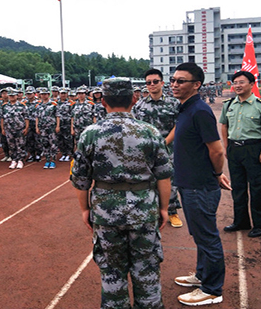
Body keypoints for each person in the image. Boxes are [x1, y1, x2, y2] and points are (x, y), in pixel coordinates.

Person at [71, 77, 173, 309]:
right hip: (144, 209)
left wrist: (85, 210)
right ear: (134, 99)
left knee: (112, 271)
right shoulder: (150, 132)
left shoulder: (90, 134)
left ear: (103, 101)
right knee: (146, 269)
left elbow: (81, 180)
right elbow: (164, 176)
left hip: (105, 211)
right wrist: (164, 208)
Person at [171, 62, 231, 306]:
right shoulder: (185, 108)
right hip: (189, 183)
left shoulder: (200, 111)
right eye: (173, 80)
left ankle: (212, 289)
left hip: (200, 185)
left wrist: (217, 174)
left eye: (180, 81)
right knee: (199, 234)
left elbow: (217, 151)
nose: (174, 84)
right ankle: (202, 275)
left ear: (196, 85)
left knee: (207, 236)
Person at [219, 70, 261, 238]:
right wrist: (226, 147)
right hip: (234, 149)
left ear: (252, 84)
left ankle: (260, 224)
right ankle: (241, 221)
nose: (237, 85)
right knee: (238, 188)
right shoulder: (229, 105)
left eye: (241, 82)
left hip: (253, 149)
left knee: (258, 188)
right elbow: (224, 125)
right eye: (235, 83)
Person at [133, 68, 183, 228]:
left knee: (170, 180)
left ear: (162, 83)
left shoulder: (173, 103)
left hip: (168, 148)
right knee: (147, 179)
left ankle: (172, 211)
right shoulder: (139, 106)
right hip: (147, 150)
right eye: (148, 82)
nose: (152, 85)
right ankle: (151, 211)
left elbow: (178, 125)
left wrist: (165, 142)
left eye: (155, 81)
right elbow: (136, 127)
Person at [0, 88, 29, 169]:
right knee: (11, 145)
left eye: (13, 95)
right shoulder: (4, 106)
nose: (12, 97)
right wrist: (2, 128)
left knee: (20, 145)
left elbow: (26, 117)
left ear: (17, 96)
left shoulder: (22, 105)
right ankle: (14, 160)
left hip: (20, 128)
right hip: (8, 129)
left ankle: (20, 160)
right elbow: (2, 118)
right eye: (10, 95)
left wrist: (26, 128)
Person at [35, 87, 58, 169]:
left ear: (48, 94)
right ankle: (47, 160)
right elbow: (37, 117)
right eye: (42, 94)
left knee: (53, 144)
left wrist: (57, 126)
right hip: (42, 128)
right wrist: (37, 127)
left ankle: (53, 160)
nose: (44, 96)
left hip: (51, 127)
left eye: (45, 94)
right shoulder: (38, 105)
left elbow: (57, 116)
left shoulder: (53, 104)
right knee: (45, 144)